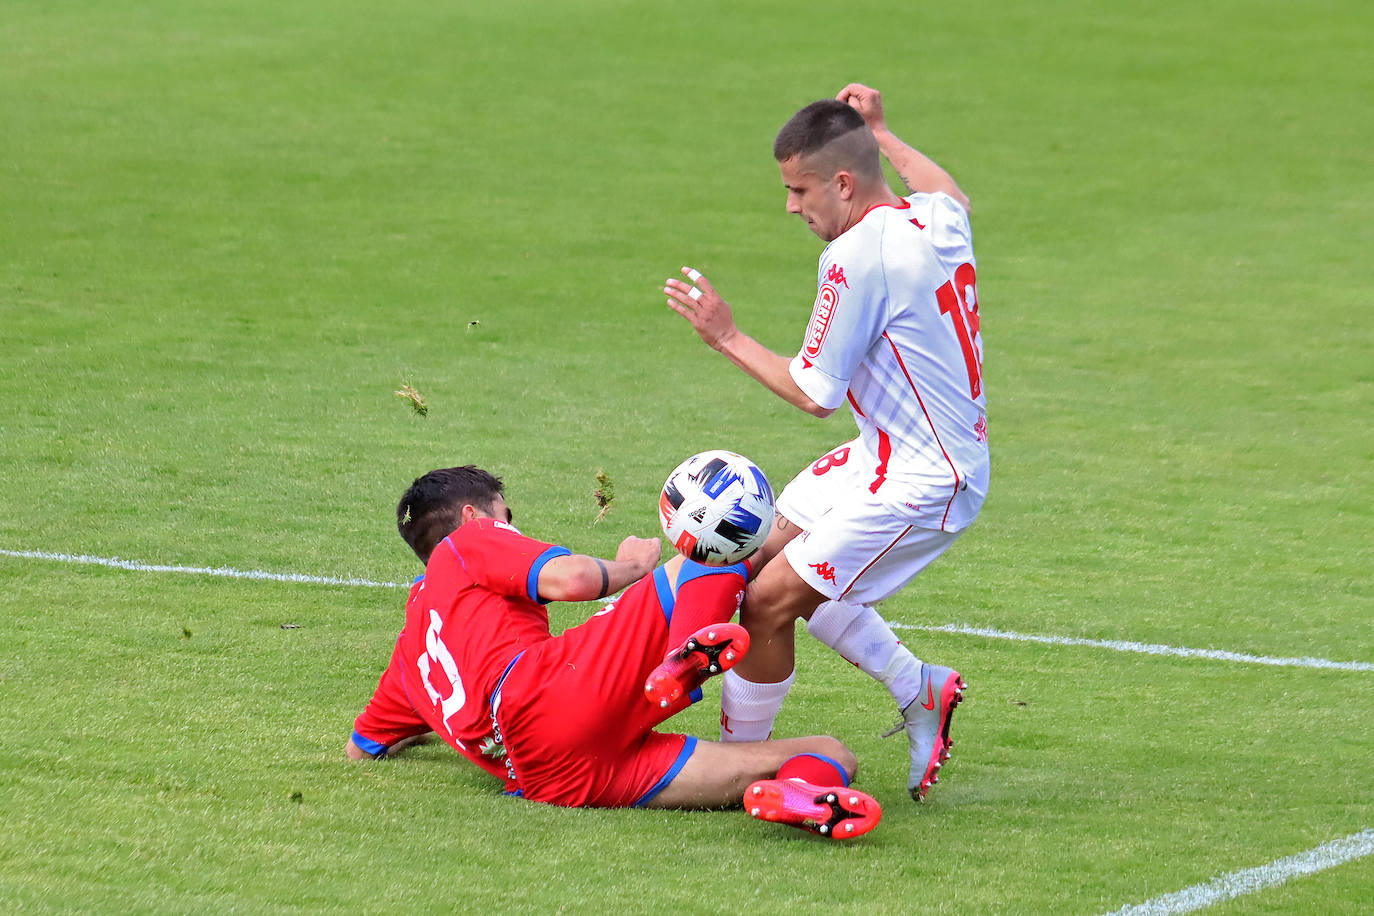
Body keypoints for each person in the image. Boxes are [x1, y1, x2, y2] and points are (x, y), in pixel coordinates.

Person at [663, 83, 986, 802]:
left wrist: (726, 335)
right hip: (884, 451)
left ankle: (735, 765)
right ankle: (918, 688)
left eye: (798, 189)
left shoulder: (854, 255)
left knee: (771, 603)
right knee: (764, 554)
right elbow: (948, 191)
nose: (790, 206)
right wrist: (882, 129)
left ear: (842, 183)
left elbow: (814, 393)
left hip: (928, 477)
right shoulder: (932, 219)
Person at [346, 465, 883, 839]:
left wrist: (435, 727)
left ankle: (793, 796)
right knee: (709, 551)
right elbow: (573, 578)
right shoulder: (469, 543)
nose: (512, 527)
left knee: (835, 753)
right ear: (473, 517)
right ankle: (682, 657)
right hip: (545, 696)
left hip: (553, 778)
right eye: (505, 515)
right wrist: (632, 565)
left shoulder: (411, 652)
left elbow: (363, 745)